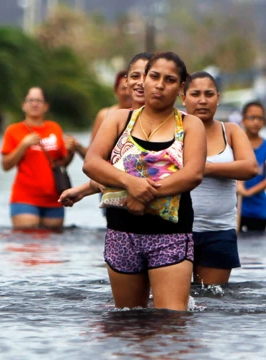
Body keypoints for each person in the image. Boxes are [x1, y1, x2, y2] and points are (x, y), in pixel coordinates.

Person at [82, 52, 206, 311]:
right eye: (154, 76)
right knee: (128, 320)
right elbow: (92, 163)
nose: (160, 84)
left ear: (181, 88)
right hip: (121, 232)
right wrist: (130, 183)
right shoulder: (119, 119)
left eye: (170, 80)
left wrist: (144, 193)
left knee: (170, 322)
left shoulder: (191, 125)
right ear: (144, 80)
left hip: (170, 233)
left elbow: (193, 174)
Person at [181, 72, 258, 285]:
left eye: (209, 94)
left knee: (214, 303)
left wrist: (203, 168)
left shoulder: (231, 131)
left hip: (219, 231)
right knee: (171, 306)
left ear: (218, 97)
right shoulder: (172, 130)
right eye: (195, 94)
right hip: (176, 231)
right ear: (183, 97)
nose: (203, 100)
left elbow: (250, 167)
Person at [60, 52, 153, 206]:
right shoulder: (109, 116)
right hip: (111, 194)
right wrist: (84, 189)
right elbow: (93, 161)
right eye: (135, 76)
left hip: (159, 210)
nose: (141, 83)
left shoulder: (177, 122)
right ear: (122, 86)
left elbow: (169, 171)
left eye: (147, 76)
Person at [0, 87, 74, 229]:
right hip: (24, 199)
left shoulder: (54, 128)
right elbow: (5, 165)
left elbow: (63, 163)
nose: (35, 104)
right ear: (24, 105)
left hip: (53, 199)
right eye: (31, 100)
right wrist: (23, 145)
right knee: (27, 237)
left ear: (46, 106)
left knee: (53, 241)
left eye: (39, 101)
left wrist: (71, 151)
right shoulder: (13, 131)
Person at [70, 70, 131, 158]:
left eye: (130, 88)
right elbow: (91, 155)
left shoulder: (143, 114)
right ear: (115, 90)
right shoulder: (104, 115)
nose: (128, 93)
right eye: (123, 88)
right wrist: (77, 146)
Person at [237, 101, 266, 231]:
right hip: (235, 209)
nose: (256, 122)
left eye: (260, 118)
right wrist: (238, 186)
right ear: (243, 120)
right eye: (251, 117)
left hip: (258, 210)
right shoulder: (234, 144)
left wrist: (248, 192)